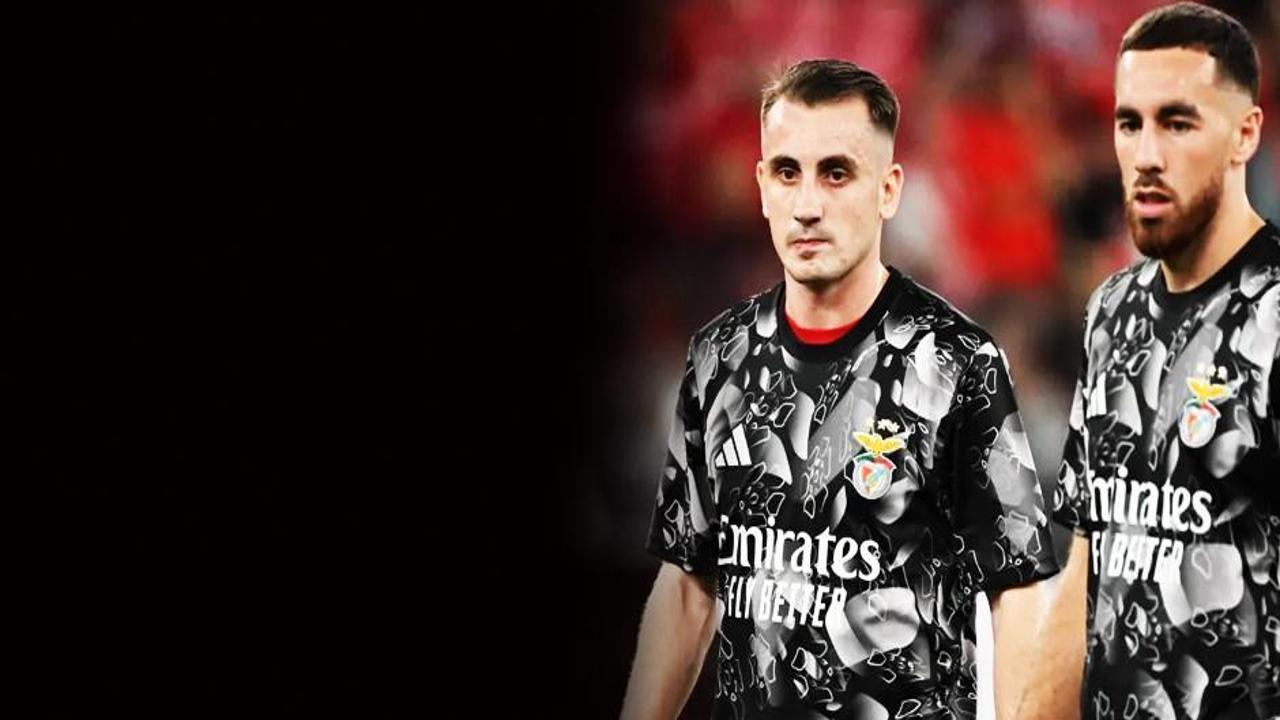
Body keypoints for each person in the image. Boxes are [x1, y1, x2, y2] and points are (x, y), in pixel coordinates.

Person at [620, 58, 1060, 720]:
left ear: (888, 190)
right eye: (787, 172)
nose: (807, 205)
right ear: (762, 187)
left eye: (836, 173)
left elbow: (1017, 590)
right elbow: (687, 587)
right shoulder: (719, 357)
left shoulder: (956, 363)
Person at [1023, 4, 1280, 719]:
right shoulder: (1112, 312)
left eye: (1177, 123)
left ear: (1245, 133)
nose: (1146, 155)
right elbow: (1087, 571)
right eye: (1129, 124)